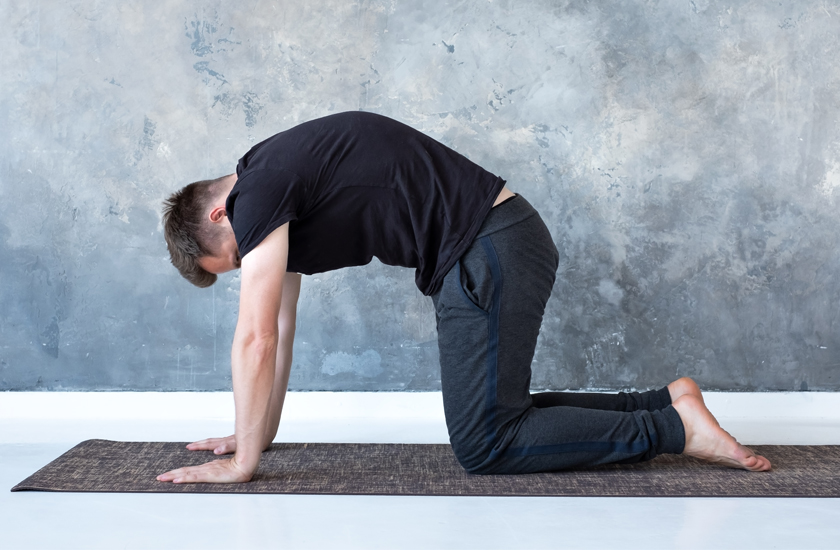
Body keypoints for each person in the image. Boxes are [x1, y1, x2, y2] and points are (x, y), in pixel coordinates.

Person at [157, 111, 771, 484]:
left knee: (486, 442)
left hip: (489, 251)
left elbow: (255, 336)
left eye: (234, 259)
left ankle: (673, 430)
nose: (248, 269)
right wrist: (253, 434)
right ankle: (667, 402)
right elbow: (281, 330)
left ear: (220, 212)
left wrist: (241, 469)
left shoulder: (258, 194)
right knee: (500, 413)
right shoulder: (272, 178)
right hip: (492, 246)